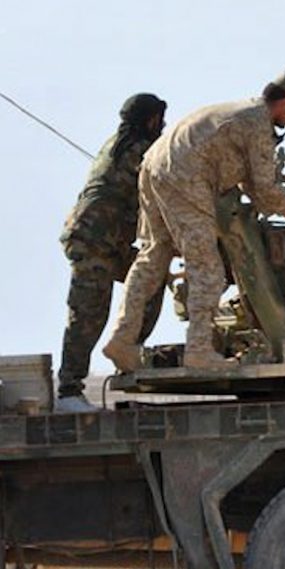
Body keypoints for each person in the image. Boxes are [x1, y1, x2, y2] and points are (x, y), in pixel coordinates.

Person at [103, 70, 285, 372]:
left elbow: (254, 188)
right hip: (188, 176)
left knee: (154, 255)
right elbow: (265, 189)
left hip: (155, 166)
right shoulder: (259, 123)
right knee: (207, 267)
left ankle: (121, 338)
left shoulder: (242, 112)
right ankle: (199, 350)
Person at [56, 93, 168, 413]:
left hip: (108, 242)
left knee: (150, 279)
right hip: (95, 241)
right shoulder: (140, 150)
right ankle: (69, 391)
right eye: (159, 119)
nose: (162, 126)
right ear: (151, 120)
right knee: (89, 313)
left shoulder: (119, 145)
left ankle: (127, 352)